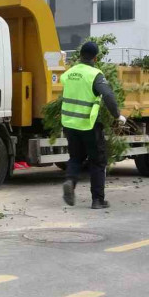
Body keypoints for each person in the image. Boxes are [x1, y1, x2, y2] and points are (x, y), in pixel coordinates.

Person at [60, 41, 126, 209]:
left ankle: (70, 180)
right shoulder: (95, 74)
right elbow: (108, 96)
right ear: (95, 58)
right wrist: (117, 115)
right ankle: (97, 200)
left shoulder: (69, 73)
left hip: (69, 123)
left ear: (80, 55)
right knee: (97, 161)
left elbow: (65, 85)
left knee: (76, 157)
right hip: (88, 124)